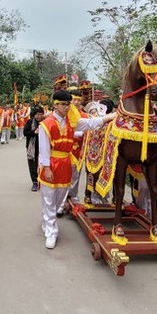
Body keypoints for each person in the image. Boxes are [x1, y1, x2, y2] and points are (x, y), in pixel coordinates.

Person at [38, 90, 115, 249]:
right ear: (55, 105)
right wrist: (46, 168)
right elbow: (43, 148)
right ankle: (51, 231)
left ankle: (46, 220)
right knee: (48, 198)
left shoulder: (72, 121)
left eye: (68, 104)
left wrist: (109, 117)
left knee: (59, 199)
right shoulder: (47, 124)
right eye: (63, 104)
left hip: (66, 164)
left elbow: (90, 124)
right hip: (51, 163)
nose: (67, 107)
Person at [23, 106, 45, 191]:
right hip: (32, 147)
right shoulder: (30, 122)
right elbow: (25, 133)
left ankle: (43, 180)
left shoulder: (46, 122)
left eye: (41, 114)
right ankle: (35, 182)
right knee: (32, 164)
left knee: (43, 164)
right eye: (37, 114)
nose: (39, 116)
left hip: (43, 147)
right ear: (34, 115)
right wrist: (34, 132)